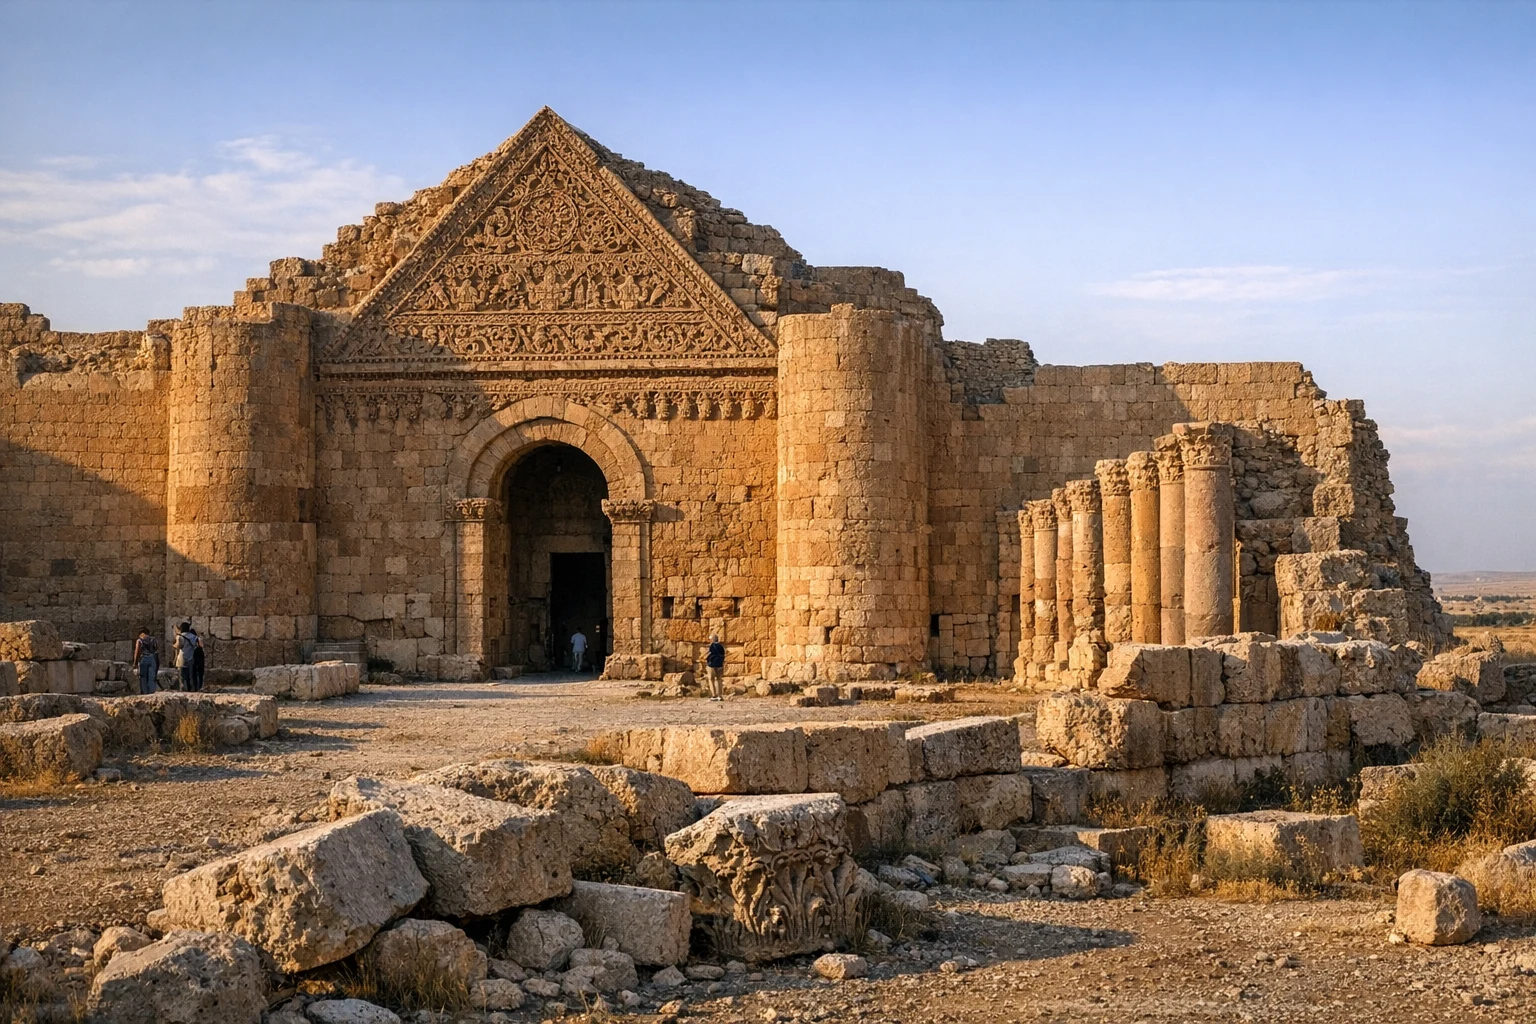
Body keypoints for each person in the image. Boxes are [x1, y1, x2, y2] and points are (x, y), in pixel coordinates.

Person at [131, 627, 158, 695]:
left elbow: (137, 651)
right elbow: (156, 648)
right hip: (152, 659)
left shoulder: (139, 640)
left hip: (144, 659)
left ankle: (145, 693)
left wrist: (135, 663)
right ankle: (152, 692)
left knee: (143, 677)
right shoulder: (153, 639)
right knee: (152, 676)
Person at [174, 621, 199, 692]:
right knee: (191, 675)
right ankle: (193, 688)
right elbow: (196, 645)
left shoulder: (180, 637)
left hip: (182, 658)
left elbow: (178, 646)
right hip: (191, 657)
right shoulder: (194, 637)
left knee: (182, 676)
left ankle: (184, 689)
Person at [705, 634, 726, 701]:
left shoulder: (712, 646)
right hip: (719, 665)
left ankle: (714, 695)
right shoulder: (721, 647)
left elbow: (709, 654)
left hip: (712, 665)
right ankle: (720, 695)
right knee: (719, 679)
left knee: (711, 679)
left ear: (712, 640)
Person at [189, 625, 206, 691]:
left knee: (194, 674)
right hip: (200, 658)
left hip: (194, 658)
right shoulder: (198, 639)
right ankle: (199, 687)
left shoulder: (194, 640)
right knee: (200, 674)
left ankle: (195, 687)